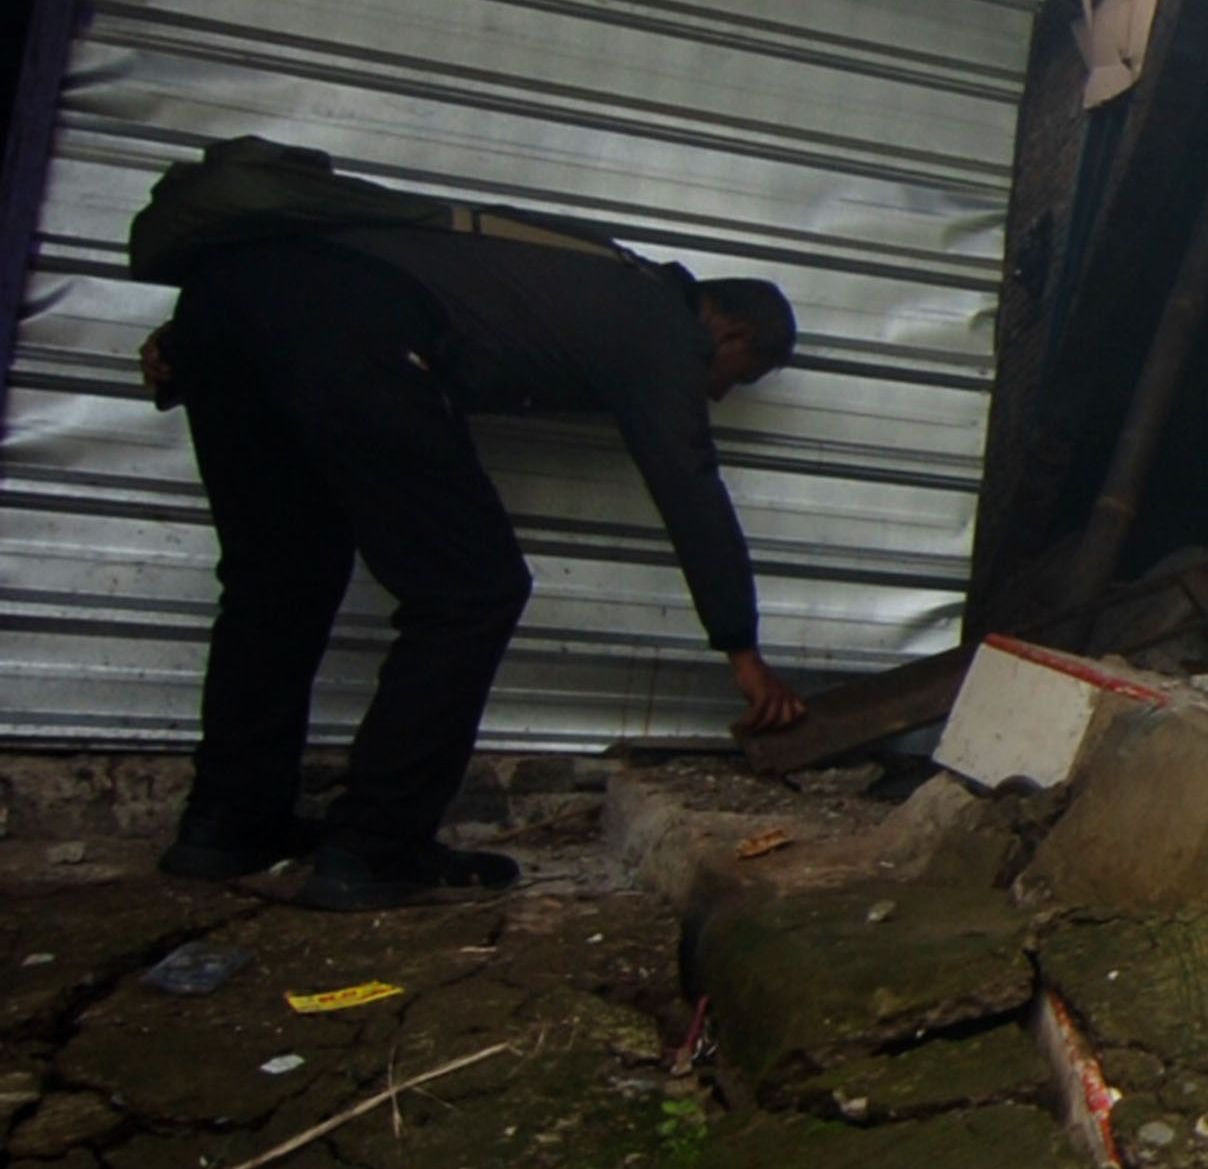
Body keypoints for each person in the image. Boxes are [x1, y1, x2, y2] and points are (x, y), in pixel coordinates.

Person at [145, 218, 812, 907]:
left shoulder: (595, 274)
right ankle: (378, 845)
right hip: (340, 324)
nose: (720, 394)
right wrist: (742, 649)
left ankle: (227, 824)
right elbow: (690, 485)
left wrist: (195, 337)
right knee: (472, 590)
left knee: (278, 576)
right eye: (741, 377)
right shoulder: (662, 329)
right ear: (730, 334)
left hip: (227, 302)